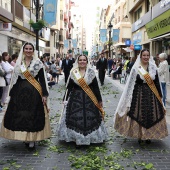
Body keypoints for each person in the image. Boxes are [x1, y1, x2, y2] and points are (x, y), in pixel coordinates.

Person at [0, 42, 51, 149]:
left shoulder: (38, 63)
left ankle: (31, 140)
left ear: (33, 51)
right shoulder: (19, 64)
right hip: (20, 93)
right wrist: (11, 95)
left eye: (30, 49)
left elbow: (42, 80)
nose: (28, 50)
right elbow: (15, 79)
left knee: (32, 115)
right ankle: (25, 137)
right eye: (26, 48)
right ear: (23, 50)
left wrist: (44, 94)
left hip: (34, 93)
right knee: (22, 115)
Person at [114, 49, 168, 144]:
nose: (146, 57)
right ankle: (140, 135)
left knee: (151, 115)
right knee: (139, 114)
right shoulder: (136, 68)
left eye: (148, 55)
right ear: (141, 56)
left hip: (152, 95)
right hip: (139, 95)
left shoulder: (153, 67)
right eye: (144, 55)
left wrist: (160, 96)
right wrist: (129, 98)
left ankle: (148, 136)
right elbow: (131, 84)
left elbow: (156, 83)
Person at [58, 54, 107, 147]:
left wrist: (99, 100)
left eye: (84, 60)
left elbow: (96, 87)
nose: (82, 62)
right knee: (76, 118)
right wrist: (64, 98)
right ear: (78, 61)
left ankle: (90, 138)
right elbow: (69, 87)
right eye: (80, 60)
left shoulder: (91, 72)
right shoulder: (73, 72)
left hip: (90, 99)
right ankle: (77, 138)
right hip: (75, 99)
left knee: (91, 118)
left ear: (87, 61)